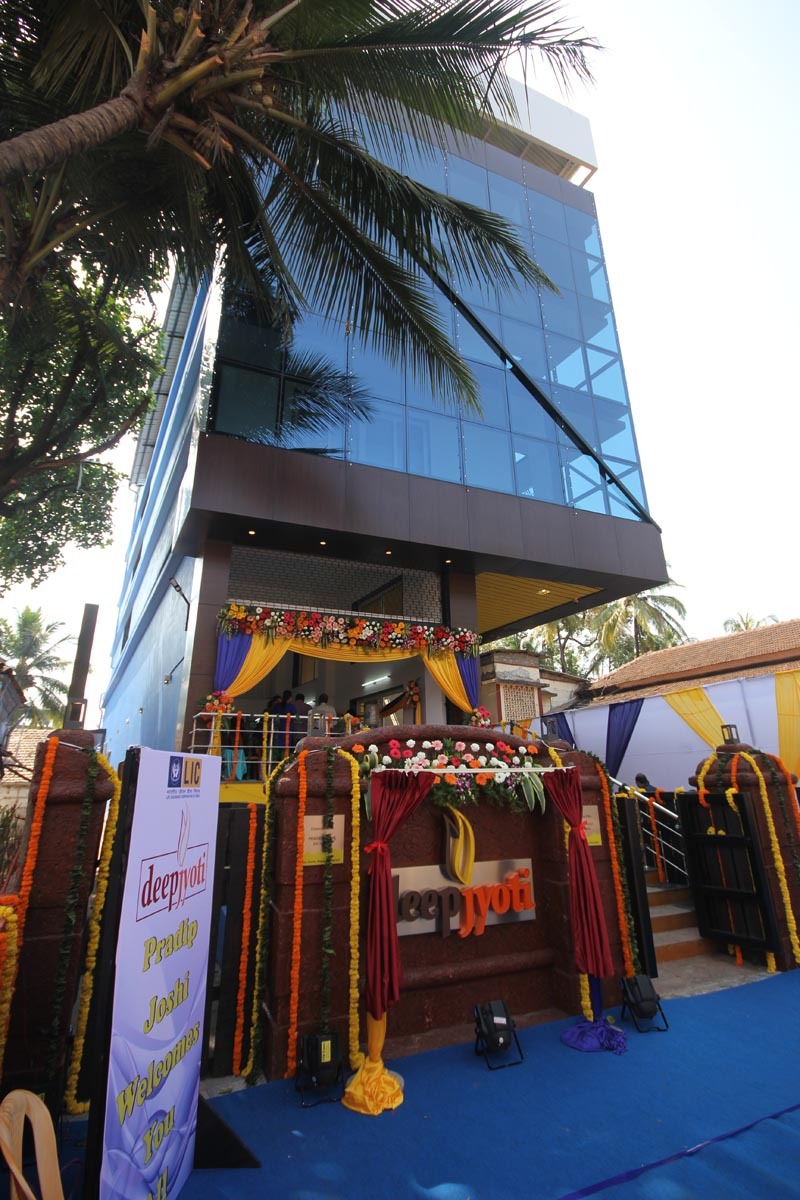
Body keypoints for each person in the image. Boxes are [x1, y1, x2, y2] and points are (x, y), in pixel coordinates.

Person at [272, 689, 297, 757]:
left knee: (279, 745)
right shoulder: (291, 707)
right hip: (288, 729)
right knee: (287, 745)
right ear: (290, 698)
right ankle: (285, 759)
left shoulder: (278, 706)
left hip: (279, 728)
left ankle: (279, 758)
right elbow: (295, 715)